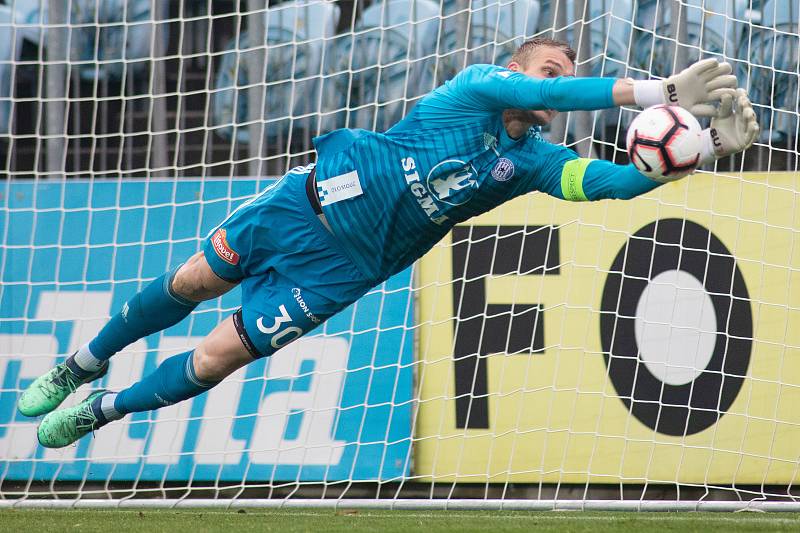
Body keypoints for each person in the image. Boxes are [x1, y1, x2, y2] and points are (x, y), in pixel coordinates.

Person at [19, 38, 758, 448]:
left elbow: (606, 185)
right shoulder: (472, 87)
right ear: (516, 72)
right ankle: (77, 364)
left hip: (344, 268)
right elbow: (563, 97)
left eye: (563, 77)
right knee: (188, 285)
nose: (556, 87)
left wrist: (695, 157)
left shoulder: (535, 163)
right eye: (548, 71)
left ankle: (104, 408)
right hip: (300, 205)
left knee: (216, 356)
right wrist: (654, 93)